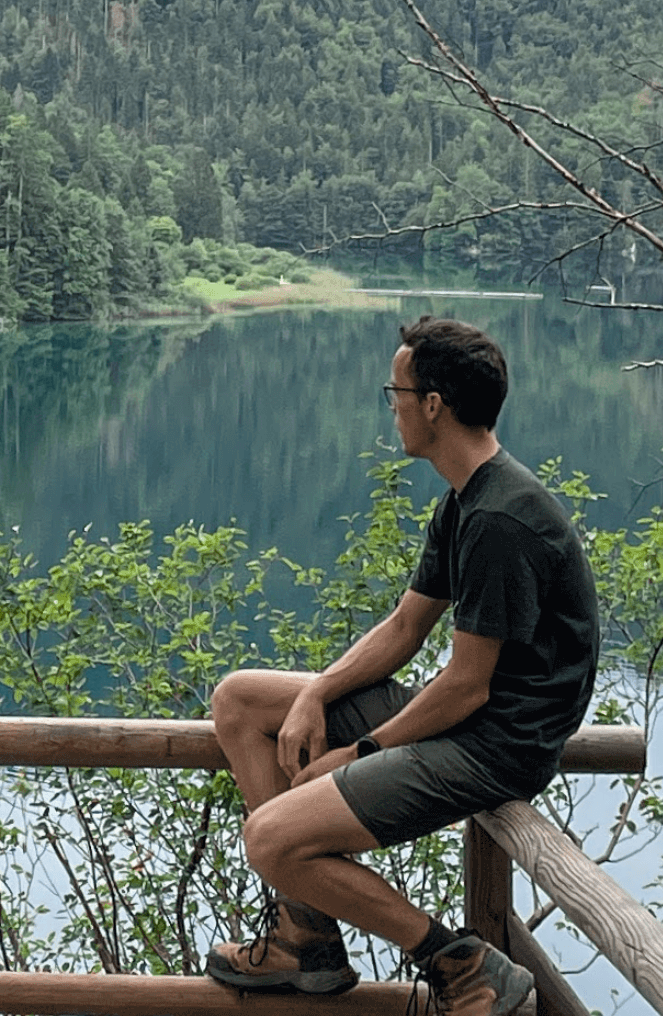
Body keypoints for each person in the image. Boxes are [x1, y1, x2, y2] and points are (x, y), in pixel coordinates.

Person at [202, 316, 600, 1016]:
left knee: (267, 839)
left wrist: (358, 752)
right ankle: (307, 934)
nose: (392, 406)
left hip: (496, 745)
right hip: (468, 719)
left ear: (434, 405)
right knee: (241, 700)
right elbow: (406, 625)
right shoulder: (467, 498)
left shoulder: (502, 520)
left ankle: (462, 963)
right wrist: (317, 693)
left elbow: (467, 685)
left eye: (397, 391)